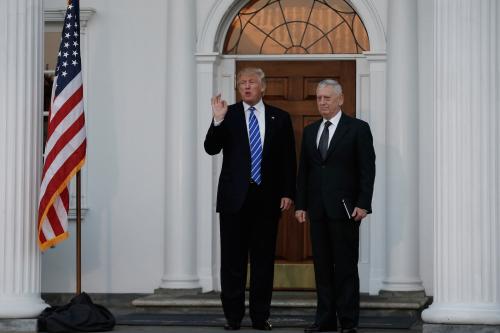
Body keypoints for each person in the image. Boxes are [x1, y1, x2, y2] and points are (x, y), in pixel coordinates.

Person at [204, 67, 296, 331]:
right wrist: (217, 120)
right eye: (242, 82)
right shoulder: (228, 114)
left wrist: (289, 192)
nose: (246, 86)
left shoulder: (280, 117)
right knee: (232, 262)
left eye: (251, 82)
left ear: (263, 87)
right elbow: (211, 148)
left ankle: (260, 316)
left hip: (267, 200)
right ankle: (233, 317)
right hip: (234, 200)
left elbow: (289, 159)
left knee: (263, 262)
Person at [295, 79, 375, 333]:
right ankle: (325, 320)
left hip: (346, 210)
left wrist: (363, 203)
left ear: (340, 99)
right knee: (322, 268)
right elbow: (304, 172)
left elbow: (367, 170)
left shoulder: (358, 129)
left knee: (346, 268)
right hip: (317, 211)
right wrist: (301, 205)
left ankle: (348, 322)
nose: (322, 102)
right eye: (319, 98)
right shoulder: (310, 131)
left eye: (327, 98)